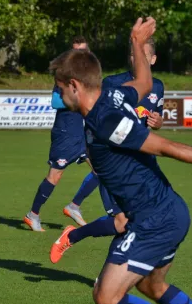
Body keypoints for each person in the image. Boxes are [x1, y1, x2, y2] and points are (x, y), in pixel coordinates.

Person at [48, 17, 192, 304]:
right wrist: (135, 40)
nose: (59, 97)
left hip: (153, 219)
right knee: (152, 287)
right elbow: (144, 81)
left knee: (106, 296)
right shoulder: (113, 94)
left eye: (60, 89)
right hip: (166, 211)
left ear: (74, 85)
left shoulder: (106, 121)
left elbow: (166, 146)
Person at [62, 38, 165, 243]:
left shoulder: (158, 87)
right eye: (133, 55)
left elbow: (156, 120)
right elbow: (92, 119)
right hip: (113, 161)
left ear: (152, 60)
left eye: (143, 57)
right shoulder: (112, 83)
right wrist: (92, 153)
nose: (136, 60)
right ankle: (74, 236)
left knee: (134, 223)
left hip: (139, 163)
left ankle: (113, 270)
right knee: (122, 222)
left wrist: (158, 122)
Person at [23, 36, 89, 231]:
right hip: (66, 131)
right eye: (76, 51)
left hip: (83, 131)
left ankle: (74, 206)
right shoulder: (64, 74)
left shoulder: (89, 75)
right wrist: (78, 100)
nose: (79, 55)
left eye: (83, 51)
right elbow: (55, 102)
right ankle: (33, 214)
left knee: (101, 170)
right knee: (55, 176)